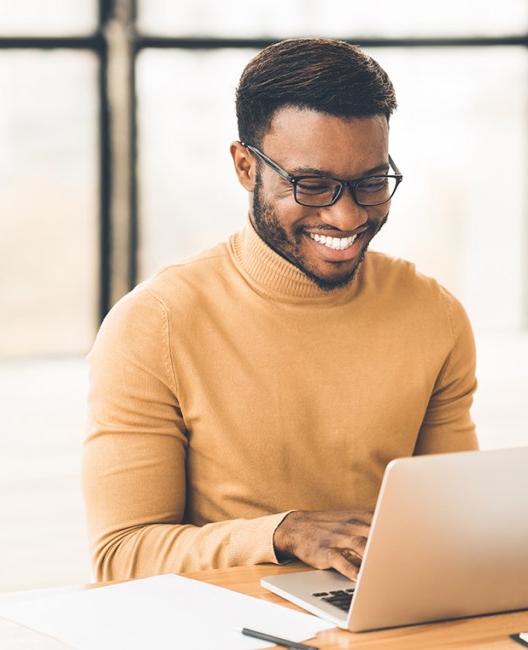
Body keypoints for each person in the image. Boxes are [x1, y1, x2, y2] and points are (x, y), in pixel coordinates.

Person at [81, 38, 479, 583]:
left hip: (387, 610)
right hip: (225, 621)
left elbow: (457, 516)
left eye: (370, 183)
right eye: (312, 185)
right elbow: (122, 555)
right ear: (246, 167)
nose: (345, 217)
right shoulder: (155, 324)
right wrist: (282, 532)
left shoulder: (435, 315)